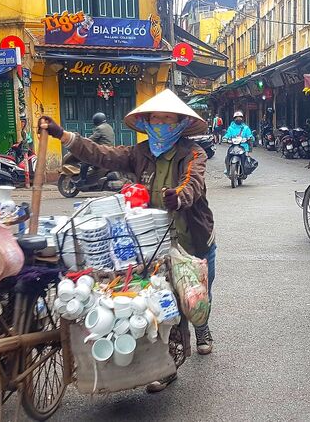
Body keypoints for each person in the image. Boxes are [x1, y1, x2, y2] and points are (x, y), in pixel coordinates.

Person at [39, 89, 216, 391]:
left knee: (194, 296)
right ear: (147, 123)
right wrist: (63, 136)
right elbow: (102, 154)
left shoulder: (194, 153)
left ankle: (202, 327)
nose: (161, 124)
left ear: (180, 124)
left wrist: (180, 197)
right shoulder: (140, 153)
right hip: (154, 242)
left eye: (167, 120)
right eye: (155, 120)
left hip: (193, 237)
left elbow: (194, 182)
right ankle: (167, 365)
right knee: (164, 301)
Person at [77, 112, 115, 183]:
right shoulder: (109, 126)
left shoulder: (99, 128)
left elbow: (92, 139)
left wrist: (82, 141)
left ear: (96, 120)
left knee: (85, 162)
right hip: (109, 151)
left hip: (102, 152)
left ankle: (83, 180)